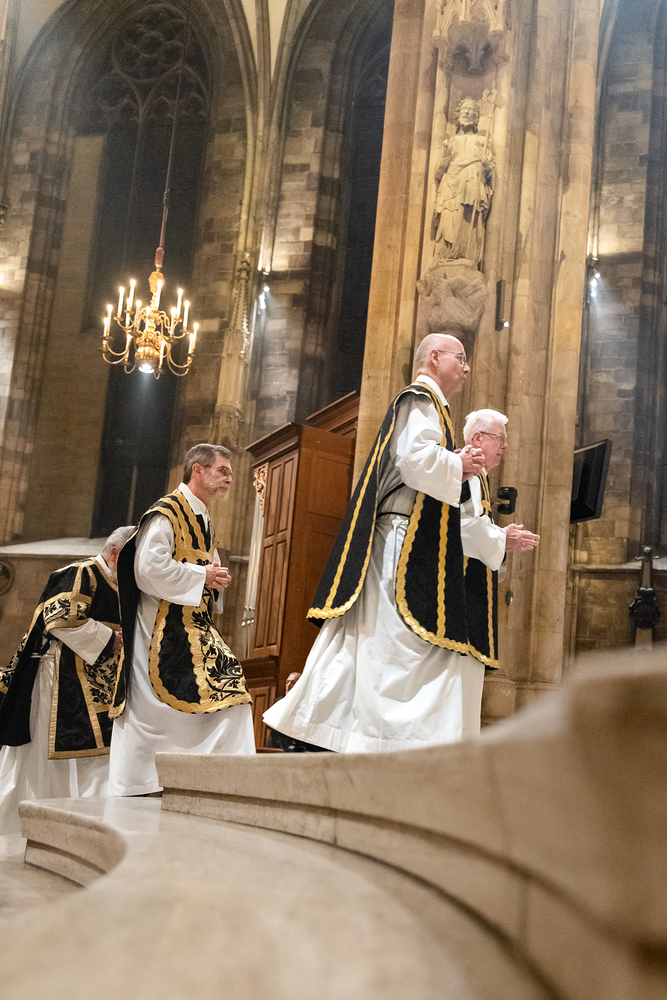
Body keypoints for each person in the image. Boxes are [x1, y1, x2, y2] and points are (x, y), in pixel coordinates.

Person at [263, 333, 487, 753]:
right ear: (434, 358)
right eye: (460, 358)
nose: (466, 367)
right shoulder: (421, 398)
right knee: (385, 643)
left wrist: (456, 467)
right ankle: (337, 733)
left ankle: (322, 730)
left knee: (363, 642)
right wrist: (458, 463)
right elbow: (415, 462)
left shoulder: (432, 405)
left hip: (407, 536)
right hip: (402, 539)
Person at [109, 444, 255, 797]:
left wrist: (213, 580)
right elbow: (148, 570)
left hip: (194, 627)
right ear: (198, 470)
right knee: (152, 711)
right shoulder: (166, 513)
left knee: (232, 694)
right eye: (223, 471)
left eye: (230, 473)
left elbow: (204, 570)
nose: (230, 479)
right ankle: (142, 780)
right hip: (161, 630)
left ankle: (224, 781)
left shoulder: (205, 520)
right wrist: (203, 576)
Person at [0, 526, 134, 834]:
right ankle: (30, 825)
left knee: (97, 756)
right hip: (59, 680)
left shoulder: (120, 586)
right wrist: (108, 638)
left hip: (98, 683)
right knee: (47, 763)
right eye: (132, 560)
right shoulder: (80, 572)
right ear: (115, 554)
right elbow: (59, 620)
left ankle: (85, 823)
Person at [459, 409, 540, 668]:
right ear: (477, 438)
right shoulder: (465, 474)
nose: (504, 446)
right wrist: (502, 537)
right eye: (499, 438)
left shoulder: (480, 478)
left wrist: (500, 539)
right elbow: (461, 526)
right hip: (459, 584)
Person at [431, 98, 494, 265]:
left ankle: (466, 256)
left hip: (472, 180)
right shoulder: (451, 141)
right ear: (458, 114)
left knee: (467, 219)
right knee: (449, 218)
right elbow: (440, 171)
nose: (466, 112)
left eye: (471, 110)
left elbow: (489, 171)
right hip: (451, 183)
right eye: (464, 109)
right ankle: (446, 255)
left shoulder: (482, 142)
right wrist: (446, 154)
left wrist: (486, 165)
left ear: (477, 116)